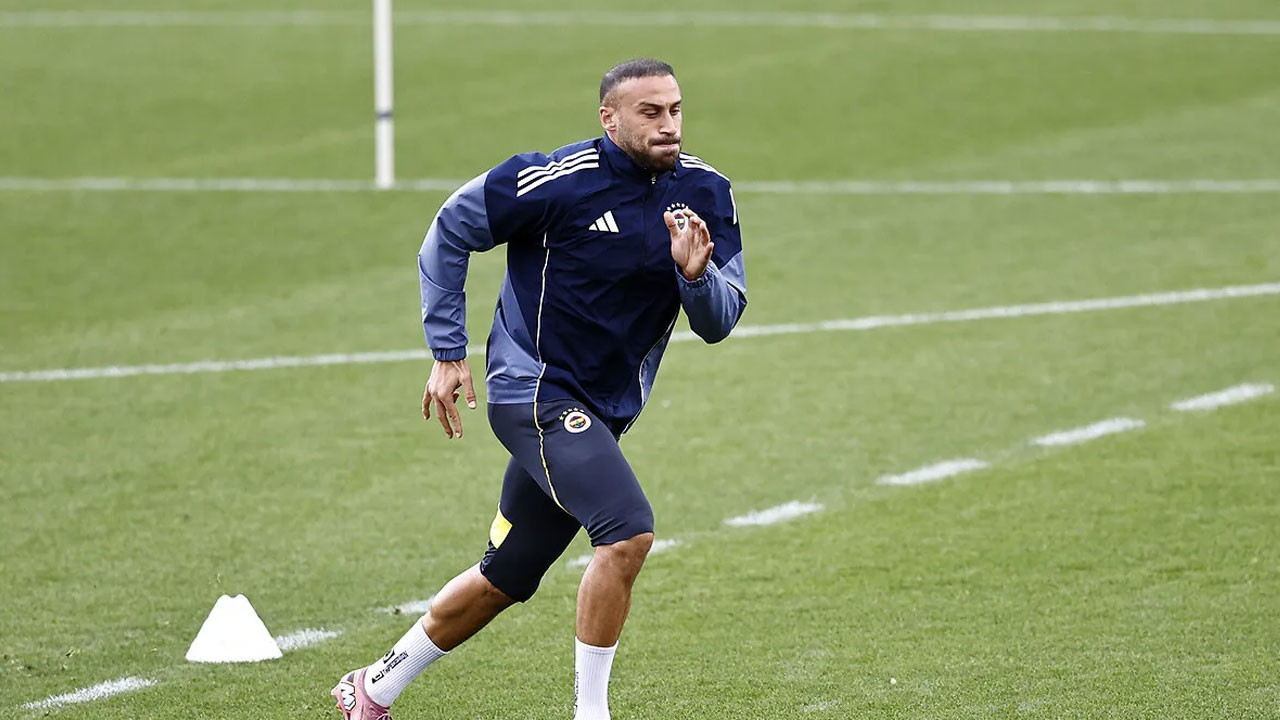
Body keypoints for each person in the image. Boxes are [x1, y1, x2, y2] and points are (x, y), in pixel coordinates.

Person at [332, 57, 747, 720]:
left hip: (605, 412)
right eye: (650, 112)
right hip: (532, 391)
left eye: (675, 110)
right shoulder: (553, 181)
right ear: (609, 119)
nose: (669, 125)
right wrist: (447, 352)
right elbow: (450, 229)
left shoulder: (708, 192)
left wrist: (695, 279)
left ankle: (372, 687)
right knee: (627, 533)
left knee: (506, 575)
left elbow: (720, 322)